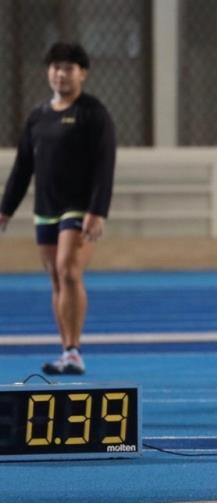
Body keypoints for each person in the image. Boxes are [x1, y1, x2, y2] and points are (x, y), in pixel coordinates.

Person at [0, 42, 116, 375]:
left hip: (79, 207)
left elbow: (105, 164)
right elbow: (23, 166)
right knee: (55, 278)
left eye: (68, 68)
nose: (60, 74)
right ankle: (66, 350)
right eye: (55, 67)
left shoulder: (94, 113)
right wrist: (6, 208)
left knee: (68, 270)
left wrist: (98, 210)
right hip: (46, 207)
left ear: (82, 73)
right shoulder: (38, 116)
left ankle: (76, 350)